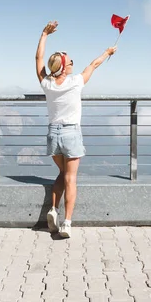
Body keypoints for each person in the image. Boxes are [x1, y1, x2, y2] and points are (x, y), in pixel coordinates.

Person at [35, 20, 117, 238]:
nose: (72, 61)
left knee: (62, 173)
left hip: (53, 133)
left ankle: (53, 209)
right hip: (71, 133)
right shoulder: (76, 82)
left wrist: (44, 34)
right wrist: (108, 52)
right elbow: (94, 65)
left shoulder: (47, 84)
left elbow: (38, 60)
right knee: (71, 178)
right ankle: (67, 223)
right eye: (69, 60)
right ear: (64, 67)